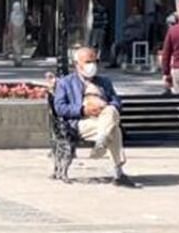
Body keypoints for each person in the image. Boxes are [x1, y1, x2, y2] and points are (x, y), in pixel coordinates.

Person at [52, 47, 135, 187]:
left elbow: (116, 101)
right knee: (114, 130)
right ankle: (118, 172)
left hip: (103, 119)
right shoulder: (66, 83)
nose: (92, 65)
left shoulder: (104, 82)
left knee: (111, 111)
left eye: (95, 61)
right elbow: (60, 107)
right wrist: (83, 110)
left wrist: (105, 105)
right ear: (77, 64)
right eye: (88, 61)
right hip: (82, 122)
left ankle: (101, 143)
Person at [7, 1, 27, 67]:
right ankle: (18, 59)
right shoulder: (21, 14)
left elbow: (11, 23)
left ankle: (17, 59)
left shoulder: (12, 14)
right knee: (19, 45)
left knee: (15, 45)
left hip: (15, 31)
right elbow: (23, 24)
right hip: (21, 31)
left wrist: (10, 32)